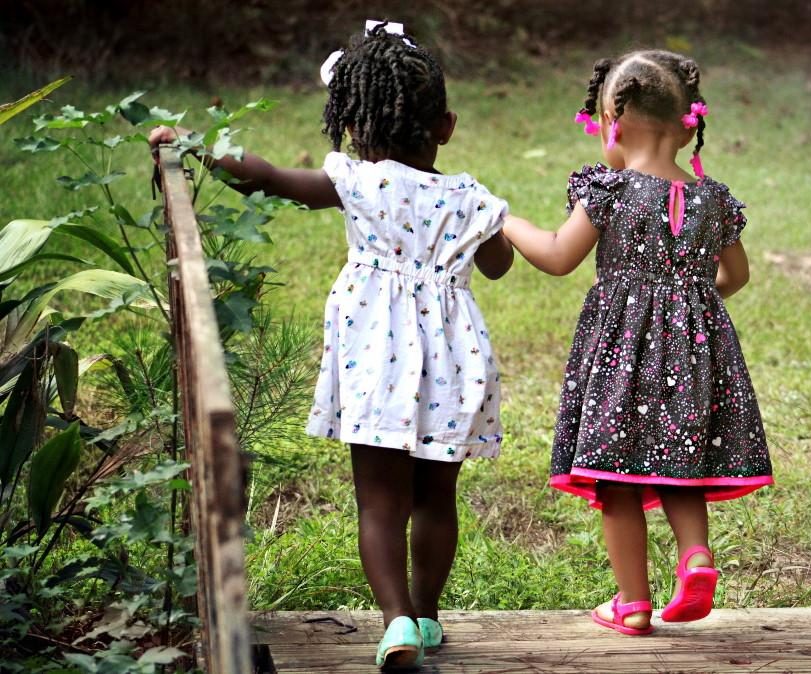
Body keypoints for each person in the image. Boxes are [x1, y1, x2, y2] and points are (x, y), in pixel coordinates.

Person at [150, 21, 514, 669]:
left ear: (350, 125)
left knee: (380, 503)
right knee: (437, 498)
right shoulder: (469, 198)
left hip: (375, 357)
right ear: (446, 126)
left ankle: (396, 621)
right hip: (454, 364)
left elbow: (263, 177)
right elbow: (497, 266)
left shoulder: (354, 181)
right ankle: (428, 616)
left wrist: (195, 145)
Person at [504, 50, 773, 635]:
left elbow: (556, 256)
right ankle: (695, 556)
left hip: (621, 359)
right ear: (687, 124)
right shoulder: (715, 199)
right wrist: (692, 306)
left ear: (613, 124)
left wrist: (504, 221)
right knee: (682, 462)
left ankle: (632, 602)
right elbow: (736, 276)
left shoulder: (610, 191)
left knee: (618, 477)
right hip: (695, 356)